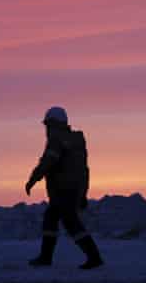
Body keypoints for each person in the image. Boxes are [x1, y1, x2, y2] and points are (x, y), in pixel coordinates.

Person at [25, 105, 103, 270]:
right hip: (73, 190)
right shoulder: (76, 142)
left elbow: (48, 161)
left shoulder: (56, 140)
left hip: (62, 190)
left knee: (69, 221)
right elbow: (84, 170)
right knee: (52, 217)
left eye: (48, 125)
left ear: (55, 123)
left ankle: (94, 257)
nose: (47, 129)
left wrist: (32, 179)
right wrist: (83, 193)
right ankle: (46, 257)